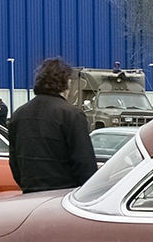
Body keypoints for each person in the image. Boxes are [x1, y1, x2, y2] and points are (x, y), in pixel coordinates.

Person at [7, 57, 98, 193]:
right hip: (64, 196)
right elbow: (85, 164)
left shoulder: (18, 115)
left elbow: (14, 162)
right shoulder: (72, 114)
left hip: (30, 196)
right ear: (66, 83)